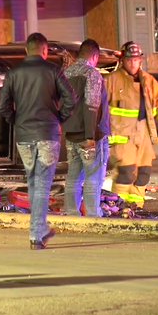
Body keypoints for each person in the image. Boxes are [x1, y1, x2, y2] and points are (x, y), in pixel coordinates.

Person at [0, 32, 77, 249]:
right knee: (41, 182)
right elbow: (71, 99)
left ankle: (40, 228)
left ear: (26, 50)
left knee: (34, 181)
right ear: (45, 50)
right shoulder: (53, 71)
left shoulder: (13, 74)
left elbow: (1, 106)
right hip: (48, 134)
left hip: (24, 136)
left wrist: (16, 120)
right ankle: (36, 234)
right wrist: (59, 118)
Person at [105, 41, 158, 209]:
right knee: (126, 173)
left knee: (144, 174)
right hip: (122, 136)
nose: (133, 64)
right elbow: (99, 109)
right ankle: (117, 205)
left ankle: (135, 206)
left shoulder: (148, 81)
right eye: (129, 60)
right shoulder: (111, 81)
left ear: (140, 60)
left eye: (136, 60)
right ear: (123, 61)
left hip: (143, 135)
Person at [62, 38, 111, 217]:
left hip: (70, 135)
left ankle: (71, 213)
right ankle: (92, 215)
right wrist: (90, 136)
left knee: (73, 176)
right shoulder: (91, 74)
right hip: (89, 136)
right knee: (93, 177)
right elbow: (92, 105)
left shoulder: (66, 73)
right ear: (95, 56)